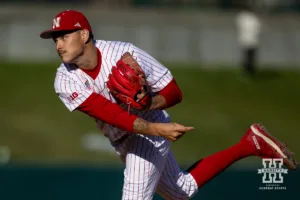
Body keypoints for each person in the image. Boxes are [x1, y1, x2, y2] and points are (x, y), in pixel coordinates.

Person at [40, 10, 297, 200]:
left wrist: (151, 102)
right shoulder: (64, 80)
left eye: (63, 36)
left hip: (148, 133)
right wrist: (157, 130)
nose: (59, 44)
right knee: (180, 191)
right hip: (135, 134)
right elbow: (109, 113)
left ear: (84, 34)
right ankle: (250, 143)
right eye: (55, 40)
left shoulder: (123, 54)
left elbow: (174, 92)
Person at [236, 4, 261, 77]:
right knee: (249, 56)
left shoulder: (247, 18)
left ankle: (248, 70)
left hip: (250, 40)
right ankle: (248, 70)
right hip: (249, 40)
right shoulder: (250, 18)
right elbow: (258, 28)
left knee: (248, 56)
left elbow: (257, 28)